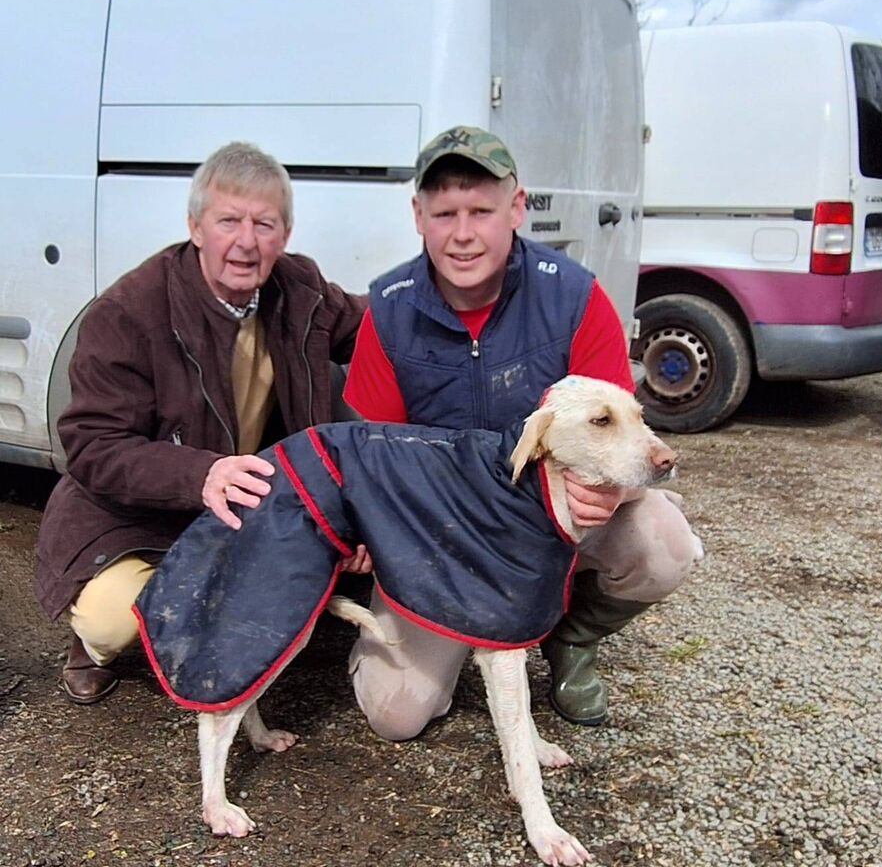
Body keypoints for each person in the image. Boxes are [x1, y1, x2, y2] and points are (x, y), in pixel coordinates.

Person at [343, 125, 701, 738]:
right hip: (449, 540)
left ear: (517, 207)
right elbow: (374, 462)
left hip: (558, 521)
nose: (462, 233)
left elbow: (627, 437)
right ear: (418, 216)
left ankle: (569, 639)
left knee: (665, 544)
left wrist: (612, 493)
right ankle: (444, 644)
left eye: (482, 211)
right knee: (395, 715)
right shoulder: (389, 310)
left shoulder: (573, 296)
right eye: (445, 213)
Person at [36, 141, 367, 705]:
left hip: (244, 508)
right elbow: (91, 446)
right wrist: (199, 476)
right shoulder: (128, 312)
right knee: (117, 617)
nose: (246, 241)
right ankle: (89, 646)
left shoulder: (300, 289)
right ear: (195, 226)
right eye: (228, 221)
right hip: (137, 516)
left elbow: (376, 329)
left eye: (264, 224)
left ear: (284, 236)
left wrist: (451, 301)